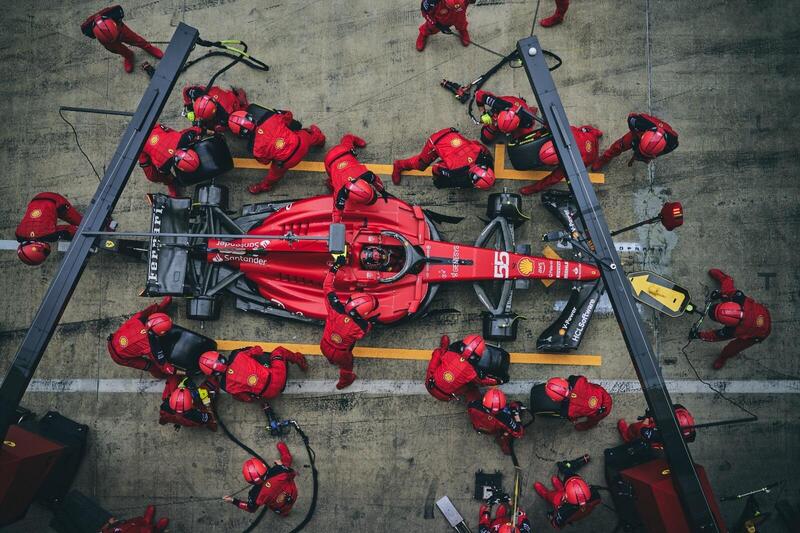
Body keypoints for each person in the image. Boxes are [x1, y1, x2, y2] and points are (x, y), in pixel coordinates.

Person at [228, 108, 325, 194]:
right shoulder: (271, 118)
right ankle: (321, 140)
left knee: (273, 175)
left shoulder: (254, 149)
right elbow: (288, 116)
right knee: (308, 135)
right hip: (301, 143)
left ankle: (265, 187)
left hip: (287, 162)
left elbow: (265, 161)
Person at [690, 268, 771, 369]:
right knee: (727, 292)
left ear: (727, 325)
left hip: (760, 333)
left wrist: (698, 335)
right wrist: (720, 294)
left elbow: (714, 336)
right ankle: (721, 276)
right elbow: (727, 282)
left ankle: (723, 357)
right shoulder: (739, 297)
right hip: (763, 312)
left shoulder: (733, 331)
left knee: (732, 348)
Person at [320, 262, 379, 390]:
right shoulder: (362, 326)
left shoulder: (335, 308)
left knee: (331, 356)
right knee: (347, 367)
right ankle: (344, 382)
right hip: (341, 354)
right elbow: (366, 329)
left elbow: (327, 286)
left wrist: (335, 267)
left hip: (324, 345)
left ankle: (331, 360)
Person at [392, 128, 495, 189]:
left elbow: (477, 144)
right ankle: (399, 165)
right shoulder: (455, 170)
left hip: (452, 133)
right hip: (435, 142)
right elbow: (436, 168)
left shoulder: (479, 152)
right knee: (420, 165)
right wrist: (438, 180)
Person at [198, 345, 307, 402]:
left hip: (270, 394)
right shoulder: (237, 355)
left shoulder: (226, 386)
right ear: (220, 357)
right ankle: (300, 361)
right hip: (277, 375)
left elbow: (247, 398)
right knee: (279, 351)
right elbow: (258, 350)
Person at [519, 125, 603, 195]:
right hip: (589, 136)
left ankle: (596, 134)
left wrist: (532, 189)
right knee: (583, 130)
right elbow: (548, 126)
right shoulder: (567, 132)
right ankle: (597, 133)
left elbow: (552, 179)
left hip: (592, 156)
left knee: (582, 131)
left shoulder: (571, 164)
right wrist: (538, 134)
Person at [107, 297, 177, 379]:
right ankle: (162, 376)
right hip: (120, 357)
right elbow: (164, 366)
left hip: (114, 340)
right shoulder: (150, 346)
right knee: (151, 366)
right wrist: (174, 372)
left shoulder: (139, 318)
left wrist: (161, 306)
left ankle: (161, 308)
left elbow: (149, 311)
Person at [80, 5, 163, 73]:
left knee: (136, 40)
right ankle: (128, 55)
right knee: (119, 50)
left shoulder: (115, 12)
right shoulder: (86, 29)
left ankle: (148, 47)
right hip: (107, 42)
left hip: (121, 30)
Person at [323, 134, 387, 221]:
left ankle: (351, 137)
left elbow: (337, 212)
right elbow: (336, 211)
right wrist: (382, 191)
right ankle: (329, 183)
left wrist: (382, 190)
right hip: (331, 160)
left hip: (342, 152)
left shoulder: (366, 175)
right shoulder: (340, 192)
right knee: (333, 181)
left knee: (348, 140)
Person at [224, 442, 297, 516]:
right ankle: (287, 457)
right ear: (263, 466)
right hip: (293, 493)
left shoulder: (254, 494)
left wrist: (233, 501)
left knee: (283, 511)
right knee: (286, 464)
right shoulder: (278, 470)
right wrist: (281, 465)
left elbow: (250, 508)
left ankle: (284, 513)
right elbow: (292, 473)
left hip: (278, 506)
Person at [426, 334, 501, 403]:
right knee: (471, 385)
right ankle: (475, 402)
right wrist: (496, 381)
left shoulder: (449, 355)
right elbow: (481, 382)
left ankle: (443, 348)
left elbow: (440, 354)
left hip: (430, 385)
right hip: (446, 396)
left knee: (438, 353)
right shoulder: (471, 372)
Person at [591, 113, 678, 171]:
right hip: (637, 135)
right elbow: (631, 117)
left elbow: (668, 149)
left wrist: (648, 156)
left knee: (642, 156)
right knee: (618, 146)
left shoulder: (672, 142)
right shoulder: (639, 122)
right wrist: (635, 135)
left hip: (649, 146)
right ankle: (604, 159)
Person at [16, 192, 83, 265]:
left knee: (82, 223)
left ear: (38, 247)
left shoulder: (50, 235)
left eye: (45, 252)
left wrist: (78, 236)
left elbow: (68, 230)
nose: (46, 252)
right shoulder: (19, 235)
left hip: (54, 199)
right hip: (36, 199)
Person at [533, 455, 600, 529]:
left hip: (562, 507)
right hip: (581, 513)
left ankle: (545, 494)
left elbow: (556, 525)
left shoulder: (563, 513)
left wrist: (554, 518)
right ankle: (561, 489)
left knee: (551, 496)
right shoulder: (594, 493)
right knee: (561, 489)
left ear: (566, 497)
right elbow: (596, 502)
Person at [138, 124, 203, 196]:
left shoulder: (185, 139)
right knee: (151, 176)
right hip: (140, 143)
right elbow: (167, 174)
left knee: (178, 135)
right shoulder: (163, 165)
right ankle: (170, 184)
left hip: (155, 129)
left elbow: (194, 131)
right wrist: (174, 181)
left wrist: (204, 130)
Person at [467, 388, 524, 455]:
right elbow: (519, 433)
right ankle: (504, 445)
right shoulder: (505, 419)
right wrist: (516, 415)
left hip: (478, 427)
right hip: (493, 430)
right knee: (507, 434)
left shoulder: (473, 405)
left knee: (471, 390)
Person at [544, 376, 612, 430]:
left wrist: (573, 419)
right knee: (593, 387)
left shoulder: (568, 411)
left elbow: (573, 416)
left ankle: (586, 426)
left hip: (600, 412)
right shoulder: (578, 380)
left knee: (592, 421)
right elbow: (583, 379)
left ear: (554, 400)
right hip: (605, 396)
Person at [474, 90, 539, 143]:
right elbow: (478, 94)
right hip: (507, 102)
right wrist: (483, 113)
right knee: (485, 139)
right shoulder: (497, 103)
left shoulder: (527, 121)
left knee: (522, 140)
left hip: (522, 108)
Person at [617, 404, 695, 446]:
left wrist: (647, 417)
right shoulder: (687, 434)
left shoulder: (659, 434)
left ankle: (627, 436)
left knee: (635, 428)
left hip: (652, 442)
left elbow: (643, 431)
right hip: (662, 444)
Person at [182, 84, 249, 132]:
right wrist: (189, 106)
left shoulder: (226, 116)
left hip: (231, 100)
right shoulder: (196, 92)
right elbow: (186, 90)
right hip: (218, 92)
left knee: (244, 108)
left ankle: (240, 96)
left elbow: (222, 129)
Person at [100, 505, 169, 533]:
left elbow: (103, 530)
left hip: (124, 528)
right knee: (148, 531)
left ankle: (146, 520)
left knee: (134, 523)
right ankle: (158, 528)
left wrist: (109, 523)